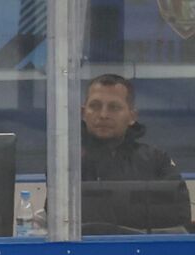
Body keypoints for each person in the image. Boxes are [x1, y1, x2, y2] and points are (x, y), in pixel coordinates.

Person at [80, 74, 191, 233]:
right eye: (95, 106)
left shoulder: (156, 160)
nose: (103, 114)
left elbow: (178, 217)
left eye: (114, 107)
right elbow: (56, 217)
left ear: (132, 116)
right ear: (83, 113)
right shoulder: (67, 160)